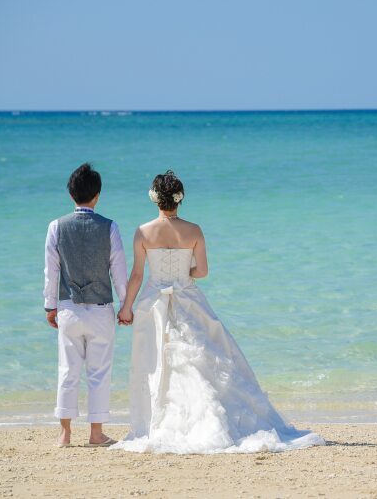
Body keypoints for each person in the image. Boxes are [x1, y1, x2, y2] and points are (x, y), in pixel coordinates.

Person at [111, 170, 324, 454]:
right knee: (203, 358)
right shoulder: (194, 230)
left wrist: (126, 307)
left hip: (154, 304)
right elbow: (203, 270)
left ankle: (158, 423)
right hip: (189, 297)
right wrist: (183, 274)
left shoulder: (143, 231)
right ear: (179, 199)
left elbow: (137, 274)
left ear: (155, 199)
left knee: (157, 364)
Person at [43, 163, 128, 447]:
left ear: (71, 194)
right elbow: (118, 271)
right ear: (97, 195)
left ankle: (65, 434)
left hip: (68, 307)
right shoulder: (109, 227)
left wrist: (49, 306)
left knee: (67, 370)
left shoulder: (56, 226)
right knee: (98, 373)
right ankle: (96, 433)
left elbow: (51, 271)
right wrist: (126, 305)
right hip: (101, 308)